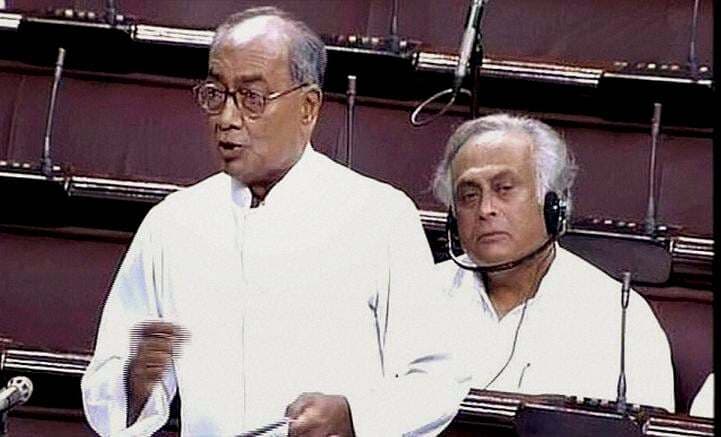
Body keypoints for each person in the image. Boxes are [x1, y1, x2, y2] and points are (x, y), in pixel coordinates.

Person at [81, 7, 468, 436]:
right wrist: (135, 381)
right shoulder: (173, 225)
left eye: (252, 98)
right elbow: (109, 384)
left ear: (308, 107)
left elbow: (435, 380)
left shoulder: (379, 216)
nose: (227, 119)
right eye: (216, 94)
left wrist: (353, 416)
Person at [432, 113, 675, 411]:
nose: (485, 209)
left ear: (554, 205)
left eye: (504, 189)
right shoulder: (414, 297)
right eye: (469, 196)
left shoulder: (618, 316)